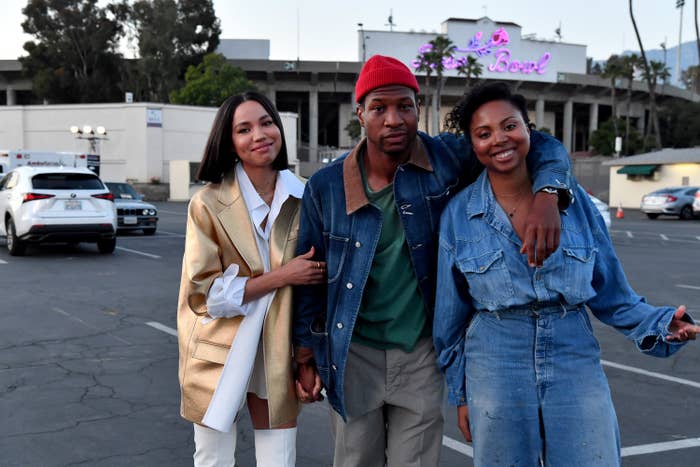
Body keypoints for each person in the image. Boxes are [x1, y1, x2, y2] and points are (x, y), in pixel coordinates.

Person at [293, 55, 573, 467]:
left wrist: (548, 194)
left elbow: (537, 141)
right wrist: (304, 353)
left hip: (422, 353)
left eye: (404, 106)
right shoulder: (325, 186)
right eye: (379, 108)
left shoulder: (446, 158)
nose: (393, 119)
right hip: (354, 352)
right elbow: (311, 275)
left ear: (418, 109)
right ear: (360, 114)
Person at [434, 82, 700, 466]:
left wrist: (659, 322)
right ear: (473, 145)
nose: (499, 140)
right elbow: (449, 319)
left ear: (529, 129)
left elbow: (612, 292)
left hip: (573, 352)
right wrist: (460, 394)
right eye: (483, 133)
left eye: (510, 126)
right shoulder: (458, 215)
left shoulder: (575, 205)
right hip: (494, 359)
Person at [176, 91, 325, 467]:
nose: (259, 135)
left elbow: (315, 289)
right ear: (230, 142)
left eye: (266, 123)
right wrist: (281, 276)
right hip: (219, 349)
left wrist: (307, 357)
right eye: (244, 129)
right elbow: (206, 295)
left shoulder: (306, 196)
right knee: (213, 459)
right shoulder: (207, 203)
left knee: (279, 458)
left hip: (280, 350)